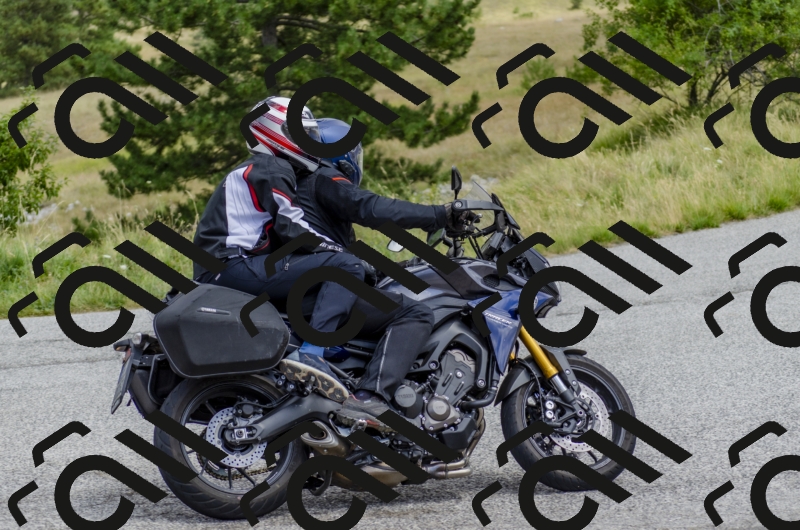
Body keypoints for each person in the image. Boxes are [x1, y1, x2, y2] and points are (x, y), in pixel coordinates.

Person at [192, 96, 368, 403]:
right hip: (230, 266)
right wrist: (340, 253)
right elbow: (292, 227)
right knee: (345, 267)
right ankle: (312, 354)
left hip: (230, 265)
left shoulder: (264, 167)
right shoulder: (272, 167)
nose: (308, 143)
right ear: (274, 130)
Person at [293, 117, 458, 428]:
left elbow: (348, 254)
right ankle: (370, 398)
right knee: (416, 314)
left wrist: (405, 268)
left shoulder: (305, 190)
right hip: (321, 293)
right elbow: (372, 208)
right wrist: (438, 215)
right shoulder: (323, 178)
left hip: (315, 286)